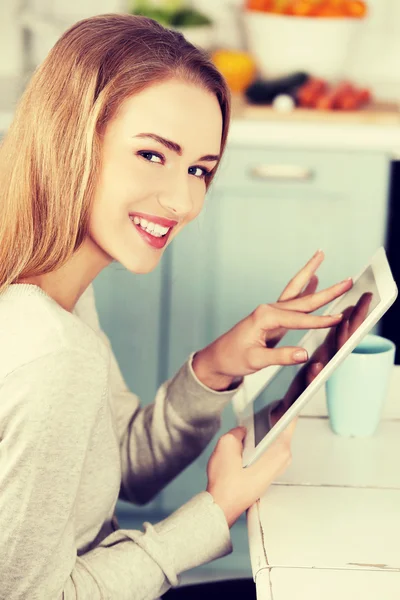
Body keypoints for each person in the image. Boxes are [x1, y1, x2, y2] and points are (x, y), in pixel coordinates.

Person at [0, 13, 353, 600]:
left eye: (199, 169)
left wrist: (215, 369)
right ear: (69, 139)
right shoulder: (50, 354)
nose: (184, 200)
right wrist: (216, 511)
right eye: (152, 155)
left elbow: (122, 470)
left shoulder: (53, 295)